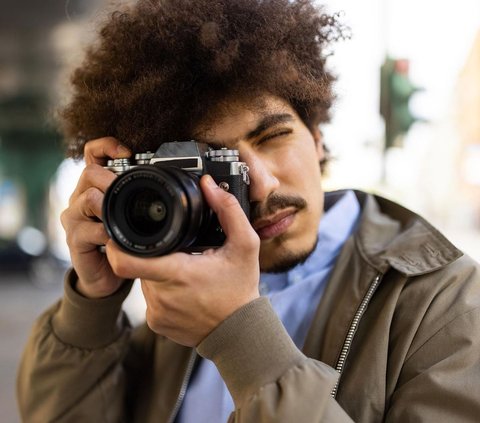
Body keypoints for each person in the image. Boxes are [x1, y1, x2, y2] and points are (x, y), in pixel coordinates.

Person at [17, 0, 480, 422]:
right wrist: (91, 305)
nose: (261, 185)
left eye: (273, 137)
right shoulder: (178, 290)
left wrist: (238, 337)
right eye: (216, 164)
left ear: (317, 137)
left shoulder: (449, 303)